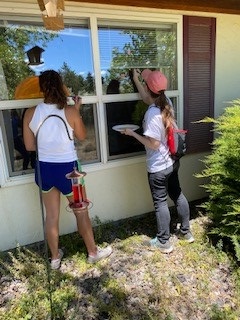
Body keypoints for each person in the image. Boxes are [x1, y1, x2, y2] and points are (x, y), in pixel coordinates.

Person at [23, 70, 112, 269]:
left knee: (52, 216)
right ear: (61, 85)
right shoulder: (69, 111)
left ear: (42, 88)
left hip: (45, 169)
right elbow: (81, 136)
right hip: (69, 170)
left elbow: (29, 146)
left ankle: (54, 258)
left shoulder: (30, 112)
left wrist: (48, 144)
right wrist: (76, 109)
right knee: (81, 212)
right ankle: (93, 253)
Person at [122, 69, 194, 253]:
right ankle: (186, 233)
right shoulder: (166, 102)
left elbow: (153, 144)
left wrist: (133, 134)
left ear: (149, 87)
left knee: (160, 202)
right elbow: (147, 98)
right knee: (177, 194)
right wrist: (137, 79)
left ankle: (164, 242)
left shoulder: (152, 114)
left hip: (158, 167)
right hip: (172, 162)